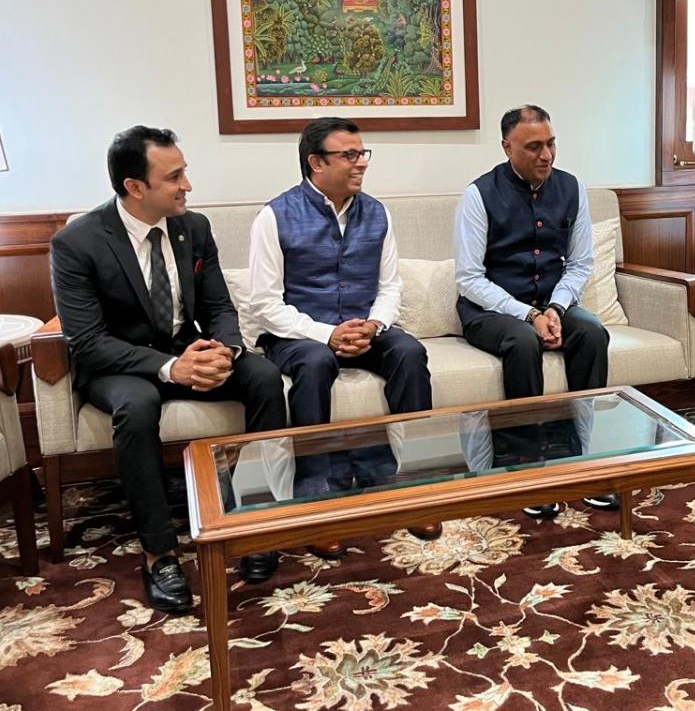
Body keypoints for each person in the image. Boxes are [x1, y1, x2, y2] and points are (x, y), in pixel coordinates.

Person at [50, 127, 288, 614]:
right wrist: (170, 368)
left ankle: (252, 518)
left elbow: (220, 305)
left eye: (185, 171)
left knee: (263, 377)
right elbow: (89, 341)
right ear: (135, 187)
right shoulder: (77, 243)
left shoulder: (193, 227)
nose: (187, 185)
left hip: (190, 349)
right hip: (120, 362)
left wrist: (224, 349)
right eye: (174, 176)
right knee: (137, 406)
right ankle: (159, 553)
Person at [248, 117, 436, 555]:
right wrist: (327, 334)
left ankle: (411, 486)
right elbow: (264, 303)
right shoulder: (274, 216)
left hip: (364, 327)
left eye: (362, 154)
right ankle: (318, 499)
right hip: (298, 334)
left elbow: (390, 286)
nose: (361, 164)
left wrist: (375, 324)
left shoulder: (377, 212)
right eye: (348, 155)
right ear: (316, 162)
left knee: (409, 352)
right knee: (316, 364)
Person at [453, 104, 614, 519]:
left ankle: (578, 460)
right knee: (524, 343)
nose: (546, 155)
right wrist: (529, 315)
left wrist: (557, 308)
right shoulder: (478, 195)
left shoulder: (572, 188)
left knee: (592, 332)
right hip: (490, 310)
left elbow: (579, 264)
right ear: (507, 147)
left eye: (551, 144)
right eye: (534, 147)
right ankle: (525, 469)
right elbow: (469, 278)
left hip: (552, 303)